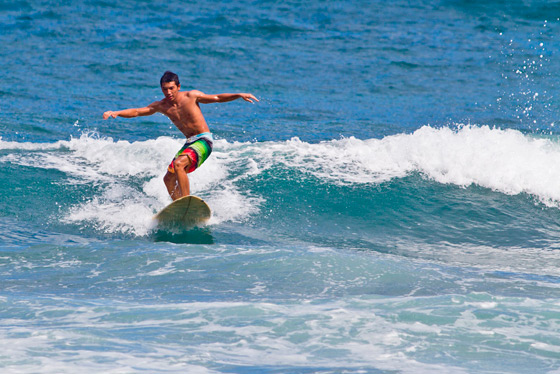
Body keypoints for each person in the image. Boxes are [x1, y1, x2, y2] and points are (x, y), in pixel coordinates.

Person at [103, 71, 258, 200]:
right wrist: (116, 112)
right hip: (190, 143)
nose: (168, 92)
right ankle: (179, 207)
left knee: (179, 165)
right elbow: (137, 111)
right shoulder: (162, 105)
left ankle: (187, 201)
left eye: (171, 88)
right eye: (165, 89)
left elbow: (217, 98)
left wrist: (238, 95)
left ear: (178, 86)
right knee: (168, 179)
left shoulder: (191, 96)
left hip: (203, 140)